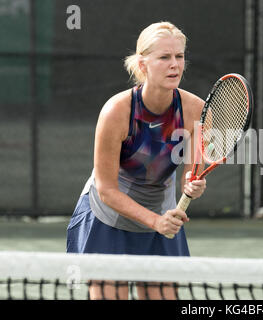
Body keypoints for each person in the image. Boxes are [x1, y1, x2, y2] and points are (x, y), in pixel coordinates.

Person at [66, 21, 207, 299]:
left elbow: (193, 171)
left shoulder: (197, 110)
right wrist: (155, 222)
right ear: (142, 65)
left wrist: (193, 182)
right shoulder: (116, 112)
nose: (174, 65)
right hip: (109, 217)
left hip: (162, 214)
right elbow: (107, 190)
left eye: (179, 56)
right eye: (164, 57)